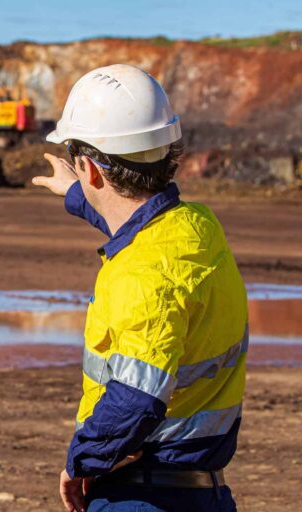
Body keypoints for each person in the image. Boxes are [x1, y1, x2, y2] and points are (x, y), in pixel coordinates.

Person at [33, 64, 247, 512]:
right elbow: (134, 218)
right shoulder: (197, 228)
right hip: (203, 491)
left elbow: (136, 400)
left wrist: (81, 462)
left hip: (143, 495)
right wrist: (76, 194)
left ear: (90, 168)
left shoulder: (143, 274)